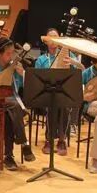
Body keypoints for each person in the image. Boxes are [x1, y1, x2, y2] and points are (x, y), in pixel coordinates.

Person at [0, 37, 35, 170]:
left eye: (12, 53)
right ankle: (23, 143)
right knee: (13, 106)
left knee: (10, 115)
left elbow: (21, 89)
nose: (11, 56)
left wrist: (22, 74)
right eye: (8, 53)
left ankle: (8, 156)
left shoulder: (14, 70)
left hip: (11, 107)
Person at [34, 28, 83, 156]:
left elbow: (81, 70)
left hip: (64, 93)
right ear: (46, 41)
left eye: (56, 37)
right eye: (50, 37)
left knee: (65, 107)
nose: (53, 40)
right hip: (47, 95)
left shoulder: (67, 55)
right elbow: (37, 80)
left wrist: (73, 62)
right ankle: (49, 140)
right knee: (52, 106)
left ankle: (62, 140)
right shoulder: (41, 60)